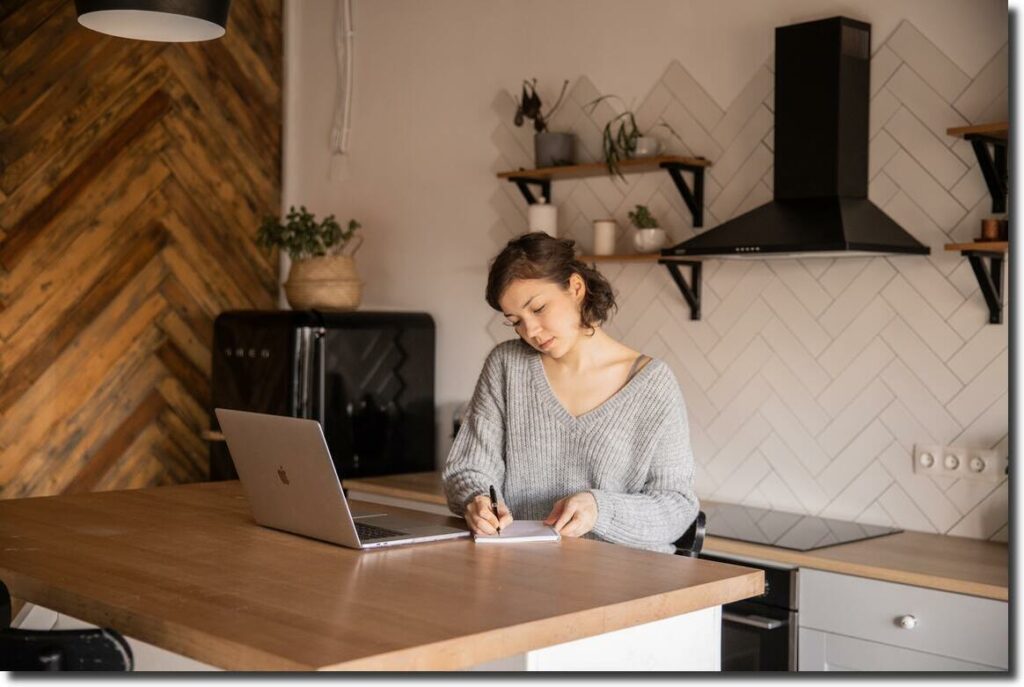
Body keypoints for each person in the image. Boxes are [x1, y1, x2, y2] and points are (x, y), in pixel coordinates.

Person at [442, 232, 699, 554]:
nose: (530, 331)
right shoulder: (507, 365)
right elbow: (468, 468)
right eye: (515, 321)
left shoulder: (652, 384)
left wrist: (600, 509)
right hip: (519, 575)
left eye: (538, 308)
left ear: (576, 288)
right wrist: (476, 499)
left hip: (625, 582)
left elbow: (677, 507)